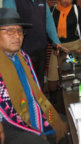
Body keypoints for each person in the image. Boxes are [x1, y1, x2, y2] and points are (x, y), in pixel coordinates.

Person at [0, 8, 67, 144]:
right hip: (9, 121)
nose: (17, 36)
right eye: (9, 31)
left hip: (30, 108)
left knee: (64, 123)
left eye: (19, 31)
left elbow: (34, 93)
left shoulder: (22, 57)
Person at [2, 0, 67, 89]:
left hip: (40, 50)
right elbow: (9, 27)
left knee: (39, 85)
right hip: (21, 52)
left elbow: (49, 22)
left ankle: (39, 108)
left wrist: (56, 42)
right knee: (24, 86)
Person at [48, 0, 81, 105]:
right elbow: (49, 30)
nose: (67, 0)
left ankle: (73, 100)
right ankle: (54, 101)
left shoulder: (76, 9)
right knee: (53, 77)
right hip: (58, 47)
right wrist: (55, 46)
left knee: (72, 74)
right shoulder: (52, 10)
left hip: (74, 46)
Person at [40, 0, 59, 87]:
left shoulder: (60, 0)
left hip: (58, 37)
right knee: (46, 61)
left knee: (56, 61)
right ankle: (46, 86)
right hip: (44, 37)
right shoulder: (40, 0)